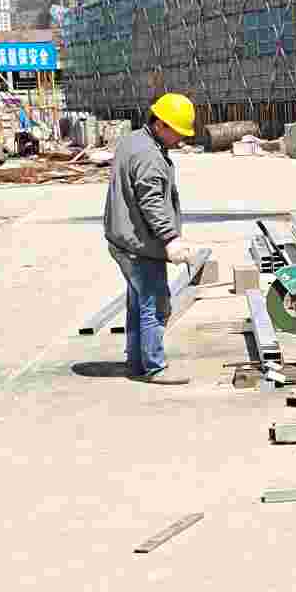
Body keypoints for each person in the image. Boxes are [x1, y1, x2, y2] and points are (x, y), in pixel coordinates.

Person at [103, 92, 196, 383]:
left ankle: (136, 361)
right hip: (140, 245)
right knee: (155, 305)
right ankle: (154, 366)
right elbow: (151, 201)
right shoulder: (149, 156)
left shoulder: (134, 140)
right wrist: (170, 238)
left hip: (124, 239)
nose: (180, 139)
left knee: (137, 303)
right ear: (161, 124)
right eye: (178, 133)